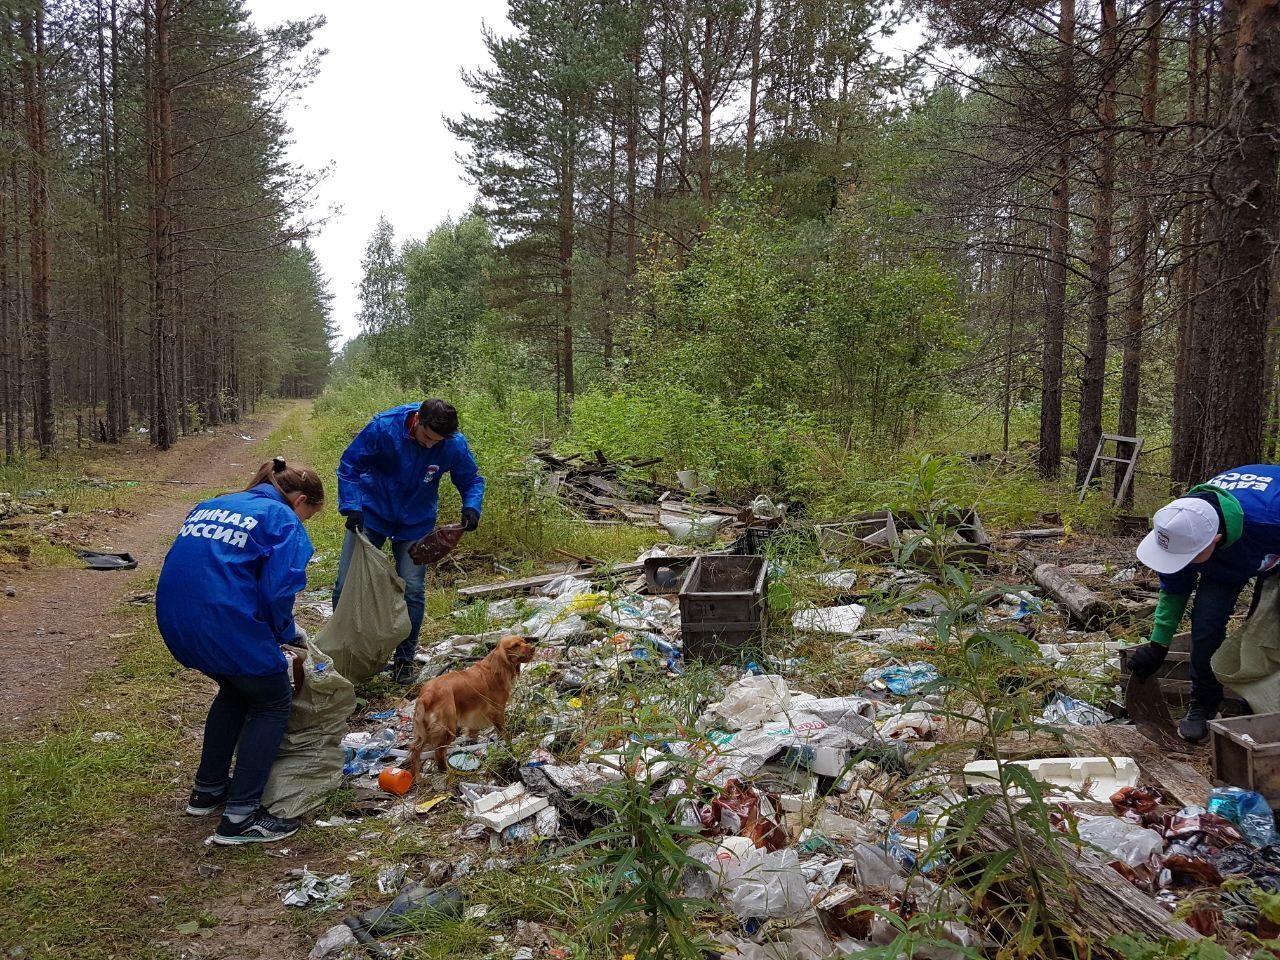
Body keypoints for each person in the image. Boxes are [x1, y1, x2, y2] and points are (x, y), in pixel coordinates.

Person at [156, 457, 324, 844]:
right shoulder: (282, 521)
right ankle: (242, 816)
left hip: (178, 623)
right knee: (271, 700)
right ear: (299, 500)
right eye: (308, 515)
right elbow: (277, 592)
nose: (304, 523)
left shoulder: (213, 503)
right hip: (223, 623)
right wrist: (286, 632)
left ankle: (209, 789)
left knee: (235, 688)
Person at [334, 398, 485, 684]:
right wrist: (352, 505)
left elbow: (471, 479)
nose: (430, 445)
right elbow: (350, 465)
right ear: (417, 421)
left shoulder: (453, 444)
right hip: (371, 514)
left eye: (437, 442)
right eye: (427, 437)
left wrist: (471, 506)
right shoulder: (384, 428)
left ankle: (404, 660)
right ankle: (344, 657)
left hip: (416, 521)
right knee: (346, 584)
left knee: (413, 590)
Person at [1130, 464, 1280, 741]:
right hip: (1229, 561)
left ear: (1215, 540)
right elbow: (1174, 589)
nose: (1180, 564)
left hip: (1265, 545)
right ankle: (1204, 704)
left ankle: (1262, 700)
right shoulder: (1180, 525)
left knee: (1267, 631)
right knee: (1206, 625)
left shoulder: (1271, 517)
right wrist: (1158, 645)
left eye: (1189, 557)